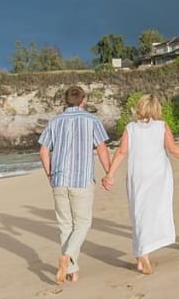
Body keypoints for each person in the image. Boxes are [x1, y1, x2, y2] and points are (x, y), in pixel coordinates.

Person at [101, 94, 179, 274]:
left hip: (138, 174)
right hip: (159, 175)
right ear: (157, 109)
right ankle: (143, 253)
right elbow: (173, 149)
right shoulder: (162, 126)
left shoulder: (131, 128)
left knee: (139, 212)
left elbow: (122, 152)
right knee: (156, 210)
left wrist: (110, 174)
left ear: (140, 108)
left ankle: (142, 254)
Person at [38, 86, 111, 285]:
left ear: (66, 100)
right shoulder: (92, 120)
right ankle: (68, 256)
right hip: (82, 180)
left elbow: (44, 151)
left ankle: (72, 272)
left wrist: (50, 175)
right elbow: (102, 148)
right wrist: (108, 173)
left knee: (65, 226)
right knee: (83, 223)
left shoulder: (55, 121)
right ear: (83, 100)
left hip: (59, 180)